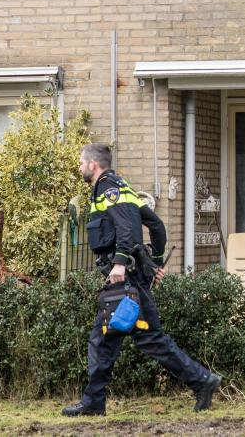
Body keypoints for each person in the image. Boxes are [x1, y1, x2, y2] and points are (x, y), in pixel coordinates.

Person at [62, 143, 221, 417]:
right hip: (132, 277)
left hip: (124, 280)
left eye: (81, 163)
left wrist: (120, 263)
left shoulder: (107, 188)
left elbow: (124, 228)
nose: (79, 167)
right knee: (105, 339)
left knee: (146, 339)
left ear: (93, 165)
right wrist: (156, 263)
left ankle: (202, 380)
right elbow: (156, 226)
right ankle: (94, 402)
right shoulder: (124, 187)